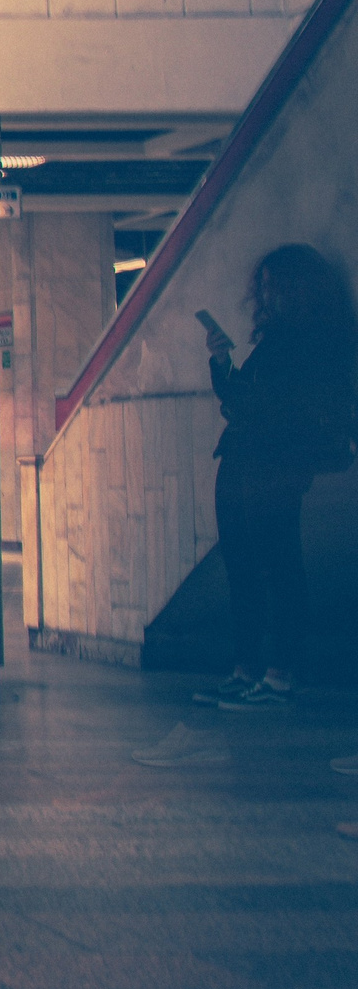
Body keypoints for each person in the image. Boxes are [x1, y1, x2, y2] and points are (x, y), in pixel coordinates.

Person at [190, 244, 357, 713]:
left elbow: (283, 405)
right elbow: (244, 395)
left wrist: (246, 400)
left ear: (299, 286)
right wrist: (221, 363)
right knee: (243, 567)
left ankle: (279, 674)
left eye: (274, 284)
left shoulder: (315, 341)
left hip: (276, 463)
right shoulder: (277, 339)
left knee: (277, 565)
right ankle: (247, 670)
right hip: (246, 458)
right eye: (263, 286)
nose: (266, 294)